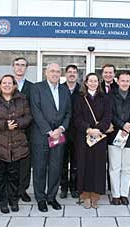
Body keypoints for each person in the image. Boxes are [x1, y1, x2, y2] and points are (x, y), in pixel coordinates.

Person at [0, 74, 32, 213]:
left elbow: (28, 116)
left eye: (10, 83)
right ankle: (2, 201)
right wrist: (4, 124)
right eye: (4, 83)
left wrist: (17, 123)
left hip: (17, 144)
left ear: (14, 85)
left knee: (15, 175)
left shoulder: (21, 99)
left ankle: (13, 200)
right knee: (0, 175)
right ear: (0, 84)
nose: (7, 85)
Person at [30, 63, 72, 212]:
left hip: (59, 136)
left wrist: (61, 129)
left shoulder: (64, 90)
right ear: (46, 73)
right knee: (40, 169)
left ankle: (51, 197)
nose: (55, 74)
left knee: (55, 168)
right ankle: (40, 198)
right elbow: (36, 111)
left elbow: (68, 113)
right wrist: (49, 131)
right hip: (41, 136)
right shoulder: (36, 88)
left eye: (57, 71)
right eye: (52, 71)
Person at [73, 73, 112, 209]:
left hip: (99, 138)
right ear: (86, 82)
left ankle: (96, 195)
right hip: (84, 137)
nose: (93, 83)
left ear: (98, 82)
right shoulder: (79, 98)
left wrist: (98, 129)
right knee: (84, 165)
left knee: (98, 166)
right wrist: (88, 129)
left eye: (96, 81)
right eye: (91, 81)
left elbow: (108, 117)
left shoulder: (105, 98)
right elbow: (76, 117)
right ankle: (85, 195)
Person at [108, 72, 130, 205]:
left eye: (127, 81)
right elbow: (109, 113)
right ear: (117, 81)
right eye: (122, 80)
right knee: (115, 167)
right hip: (115, 135)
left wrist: (129, 125)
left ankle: (124, 193)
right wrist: (122, 125)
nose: (125, 83)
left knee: (127, 167)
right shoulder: (111, 96)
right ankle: (115, 194)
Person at [12, 57, 33, 203]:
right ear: (13, 67)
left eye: (23, 65)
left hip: (27, 131)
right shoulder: (5, 85)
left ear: (26, 68)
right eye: (17, 65)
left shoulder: (33, 88)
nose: (20, 68)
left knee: (25, 163)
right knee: (11, 163)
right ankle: (11, 189)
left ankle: (22, 190)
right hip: (8, 132)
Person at [60, 65, 80, 199]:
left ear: (77, 75)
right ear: (65, 74)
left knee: (76, 161)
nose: (72, 74)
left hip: (78, 132)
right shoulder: (60, 88)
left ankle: (74, 187)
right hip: (62, 131)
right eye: (69, 72)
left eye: (74, 72)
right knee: (62, 161)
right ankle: (63, 187)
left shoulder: (82, 90)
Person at [100, 64, 119, 191]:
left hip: (114, 129)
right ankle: (101, 185)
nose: (108, 75)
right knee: (100, 159)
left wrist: (112, 124)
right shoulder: (96, 86)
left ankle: (112, 186)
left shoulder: (119, 87)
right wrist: (103, 124)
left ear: (114, 74)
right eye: (106, 72)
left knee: (113, 161)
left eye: (110, 72)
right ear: (102, 74)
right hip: (100, 128)